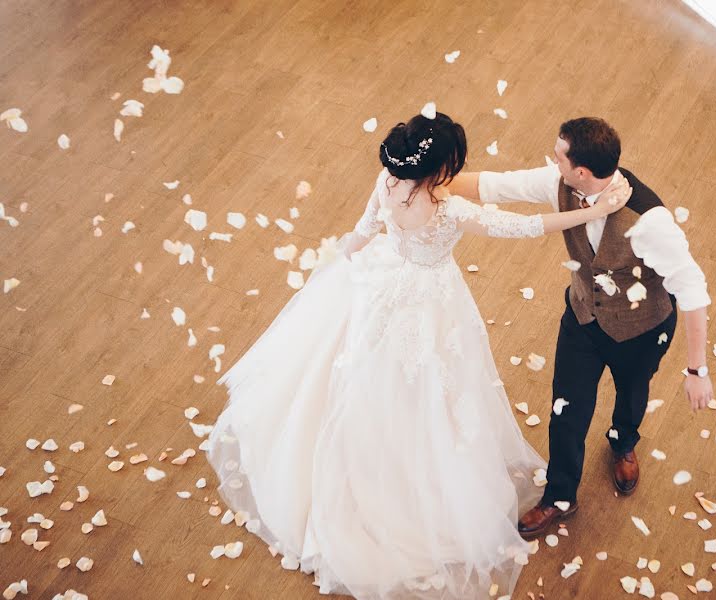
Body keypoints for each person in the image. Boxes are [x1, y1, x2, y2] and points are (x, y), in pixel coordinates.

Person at [205, 112, 630, 599]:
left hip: (383, 284)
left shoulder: (388, 181)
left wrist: (338, 272)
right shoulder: (449, 210)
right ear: (442, 166)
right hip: (430, 303)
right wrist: (591, 213)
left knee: (363, 377)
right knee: (428, 386)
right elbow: (525, 228)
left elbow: (363, 231)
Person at [448, 116, 713, 540]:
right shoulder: (558, 183)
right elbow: (493, 186)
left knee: (632, 393)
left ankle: (623, 441)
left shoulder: (650, 222)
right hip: (583, 318)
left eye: (559, 157)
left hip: (641, 328)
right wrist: (425, 180)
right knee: (566, 411)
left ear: (582, 171)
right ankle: (559, 496)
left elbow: (694, 290)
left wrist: (697, 370)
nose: (553, 162)